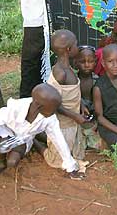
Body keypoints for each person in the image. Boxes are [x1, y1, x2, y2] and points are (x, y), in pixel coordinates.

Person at [0, 83, 83, 178]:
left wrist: (71, 167)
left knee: (12, 162)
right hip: (6, 132)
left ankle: (32, 141)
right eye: (53, 108)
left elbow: (59, 140)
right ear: (39, 106)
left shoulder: (50, 119)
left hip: (23, 139)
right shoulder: (15, 108)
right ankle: (1, 162)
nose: (55, 111)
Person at [41, 30, 88, 168]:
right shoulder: (60, 73)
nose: (78, 47)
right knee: (57, 161)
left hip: (72, 123)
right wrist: (74, 115)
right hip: (62, 125)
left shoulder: (68, 69)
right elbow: (52, 104)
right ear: (68, 49)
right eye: (76, 45)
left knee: (75, 152)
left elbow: (71, 93)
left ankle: (43, 136)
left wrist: (81, 104)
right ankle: (34, 141)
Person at [75, 45, 101, 150]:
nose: (86, 65)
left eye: (90, 62)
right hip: (76, 117)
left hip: (93, 119)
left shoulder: (97, 80)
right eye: (82, 62)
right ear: (76, 63)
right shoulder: (73, 80)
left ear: (95, 62)